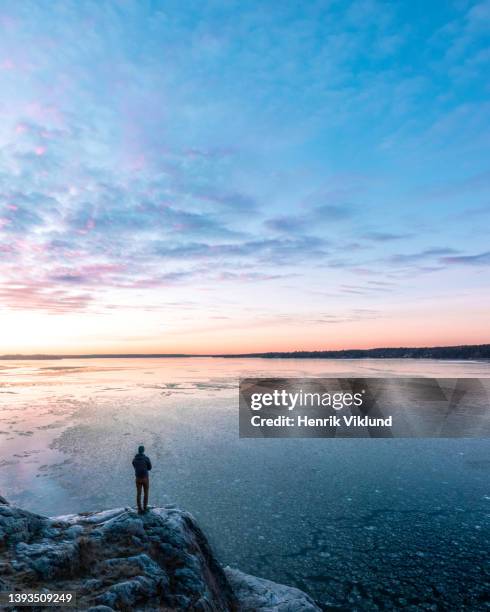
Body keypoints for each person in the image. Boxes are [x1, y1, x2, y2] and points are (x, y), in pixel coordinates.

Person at [132, 445, 152, 514]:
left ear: (138, 451)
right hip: (145, 478)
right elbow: (150, 467)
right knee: (146, 493)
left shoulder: (134, 459)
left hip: (138, 478)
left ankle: (139, 509)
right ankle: (145, 507)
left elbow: (134, 466)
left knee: (138, 493)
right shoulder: (146, 458)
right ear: (143, 451)